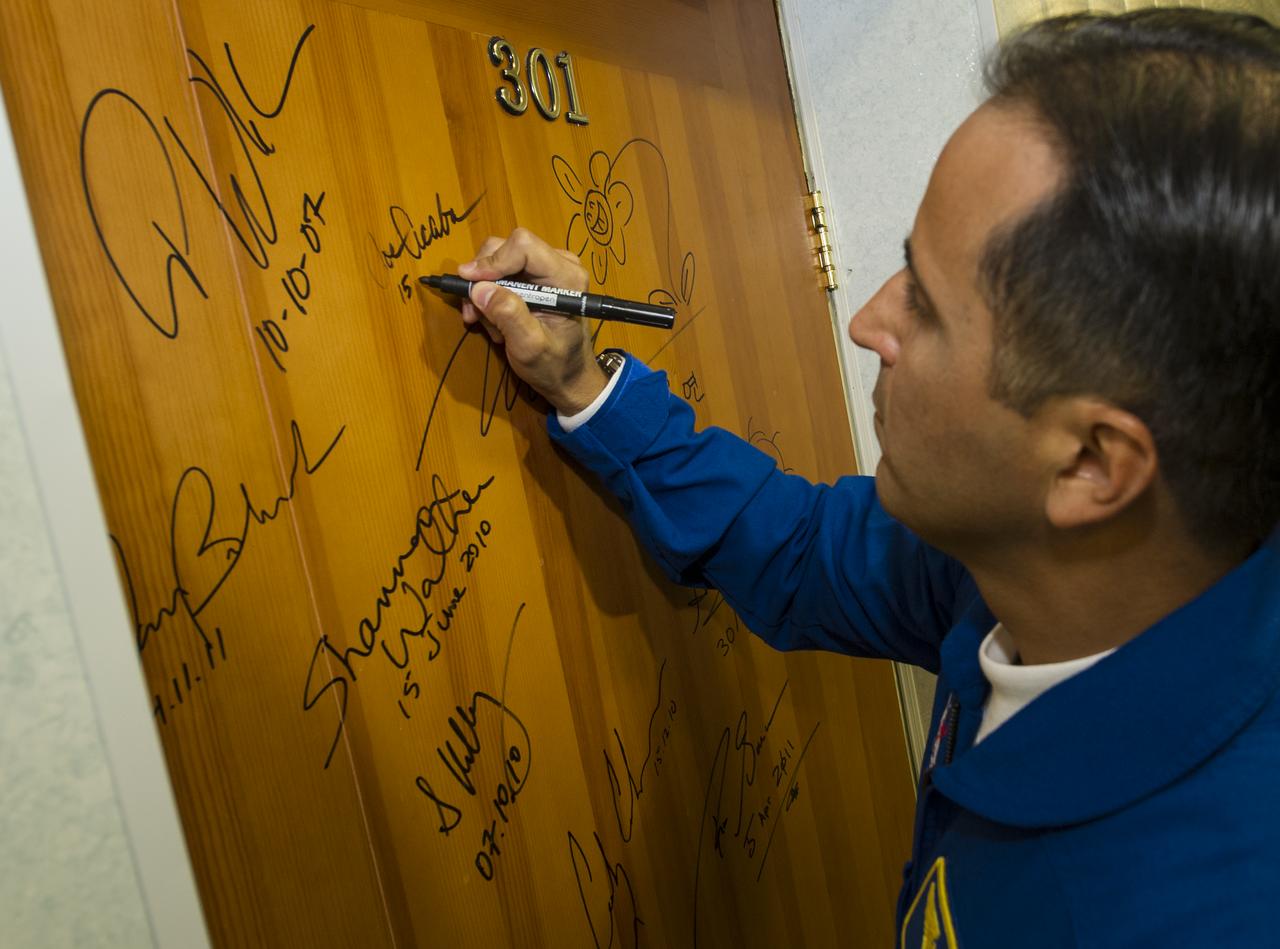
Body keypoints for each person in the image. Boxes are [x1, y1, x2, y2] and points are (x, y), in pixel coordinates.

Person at [451, 9, 1279, 946]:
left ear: (1091, 463)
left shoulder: (1188, 906)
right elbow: (801, 548)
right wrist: (584, 387)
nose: (865, 322)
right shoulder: (1033, 568)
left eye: (926, 303)